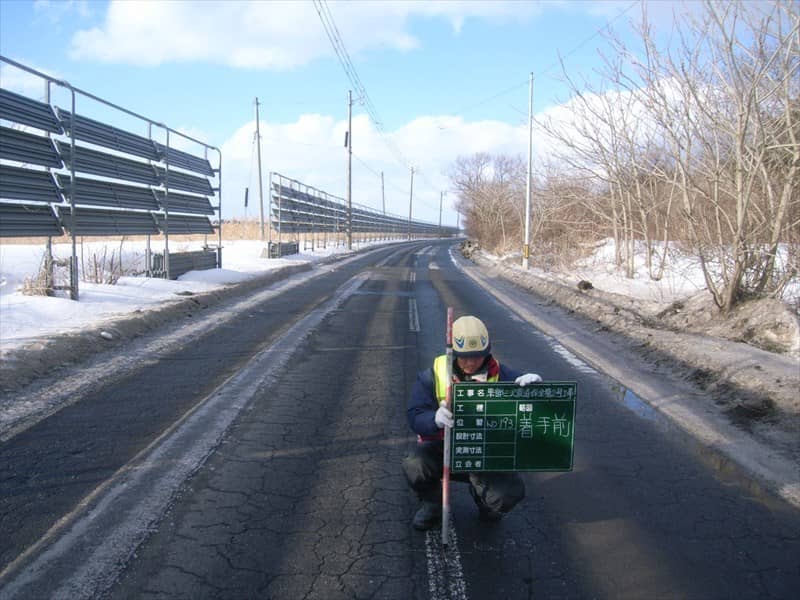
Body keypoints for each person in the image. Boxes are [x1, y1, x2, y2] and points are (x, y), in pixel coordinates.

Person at [402, 315, 543, 531]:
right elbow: (415, 414)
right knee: (415, 463)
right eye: (464, 357)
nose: (470, 362)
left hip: (484, 453)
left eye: (477, 356)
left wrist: (535, 389)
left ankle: (484, 500)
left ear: (487, 353)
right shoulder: (434, 375)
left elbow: (534, 412)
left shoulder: (502, 375)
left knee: (506, 495)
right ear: (453, 353)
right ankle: (432, 503)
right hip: (444, 449)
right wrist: (434, 419)